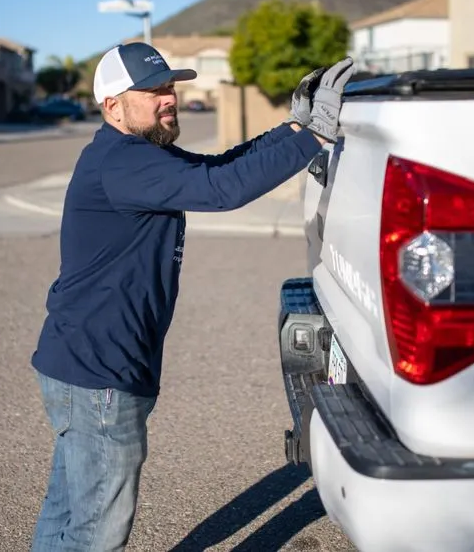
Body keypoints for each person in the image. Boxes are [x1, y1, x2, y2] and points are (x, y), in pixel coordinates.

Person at [29, 41, 355, 551]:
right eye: (153, 91)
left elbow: (219, 168)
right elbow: (222, 190)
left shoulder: (133, 153)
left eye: (170, 87)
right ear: (112, 105)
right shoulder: (123, 164)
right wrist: (315, 136)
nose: (169, 98)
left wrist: (292, 129)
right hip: (100, 375)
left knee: (69, 509)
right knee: (95, 530)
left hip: (81, 364)